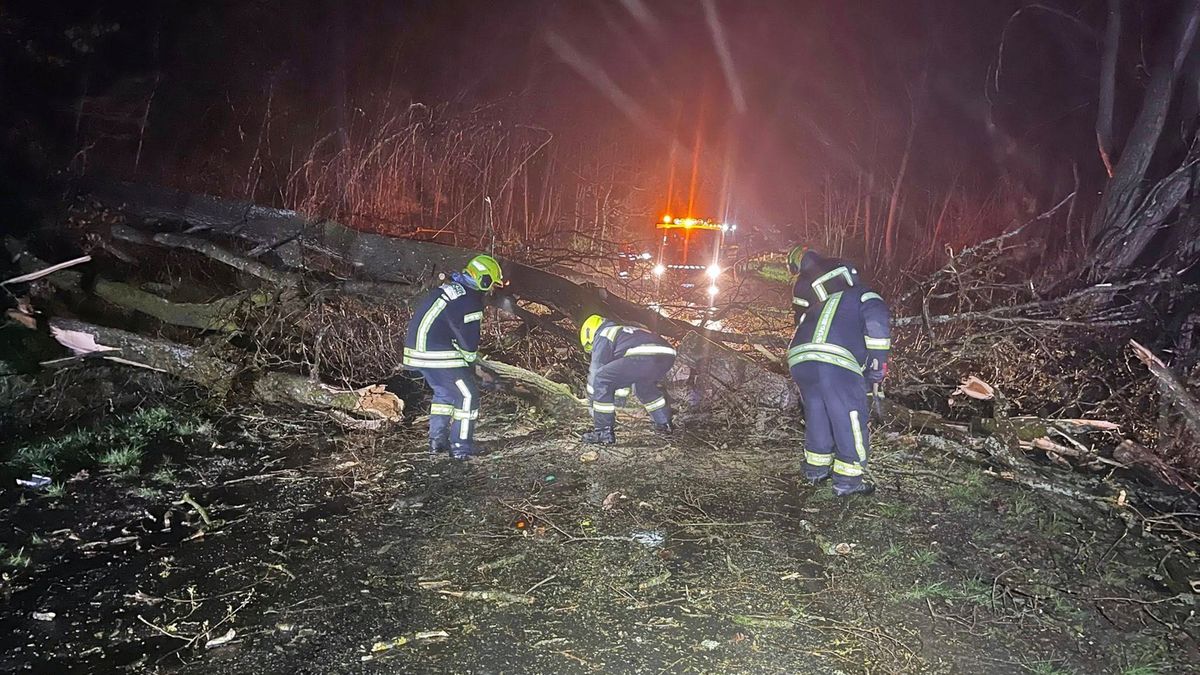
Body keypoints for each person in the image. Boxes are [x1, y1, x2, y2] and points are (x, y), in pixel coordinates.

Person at [785, 247, 890, 496]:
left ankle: (816, 468)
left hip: (800, 357)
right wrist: (877, 364)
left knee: (818, 411)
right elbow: (876, 323)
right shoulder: (866, 295)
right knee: (850, 415)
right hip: (834, 358)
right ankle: (848, 480)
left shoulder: (822, 302)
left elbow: (800, 321)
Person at [402, 254, 506, 460]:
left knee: (445, 394)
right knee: (467, 396)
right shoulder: (470, 300)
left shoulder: (452, 290)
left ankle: (437, 442)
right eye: (492, 284)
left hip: (417, 350)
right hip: (435, 353)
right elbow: (468, 343)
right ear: (483, 281)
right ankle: (461, 447)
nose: (492, 290)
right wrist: (472, 364)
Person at [577, 314, 676, 444]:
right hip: (667, 354)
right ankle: (664, 423)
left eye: (590, 347)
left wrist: (592, 399)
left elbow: (597, 371)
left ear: (590, 334)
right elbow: (621, 373)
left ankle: (603, 432)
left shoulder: (603, 334)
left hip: (642, 354)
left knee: (601, 378)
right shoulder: (623, 332)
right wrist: (619, 396)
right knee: (643, 387)